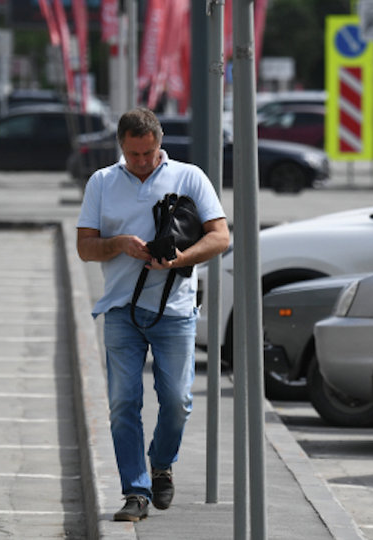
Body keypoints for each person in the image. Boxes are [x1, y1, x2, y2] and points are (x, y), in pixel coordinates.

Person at [76, 107, 230, 522]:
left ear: (160, 144)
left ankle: (162, 462)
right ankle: (136, 491)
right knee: (124, 402)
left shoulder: (190, 176)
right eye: (133, 155)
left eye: (148, 153)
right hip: (121, 307)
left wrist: (181, 258)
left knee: (178, 401)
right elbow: (85, 247)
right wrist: (119, 244)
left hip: (175, 310)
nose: (142, 162)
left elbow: (220, 237)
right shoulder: (103, 182)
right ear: (121, 148)